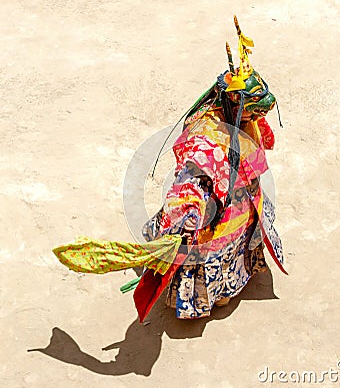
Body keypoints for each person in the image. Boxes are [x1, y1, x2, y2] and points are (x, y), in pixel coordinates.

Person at [52, 16, 287, 323]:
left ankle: (229, 284)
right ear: (234, 103)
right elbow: (188, 181)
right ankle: (213, 296)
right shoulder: (205, 137)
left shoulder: (244, 121)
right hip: (211, 214)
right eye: (256, 108)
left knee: (235, 249)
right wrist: (189, 212)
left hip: (240, 207)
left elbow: (262, 142)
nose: (261, 114)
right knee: (213, 257)